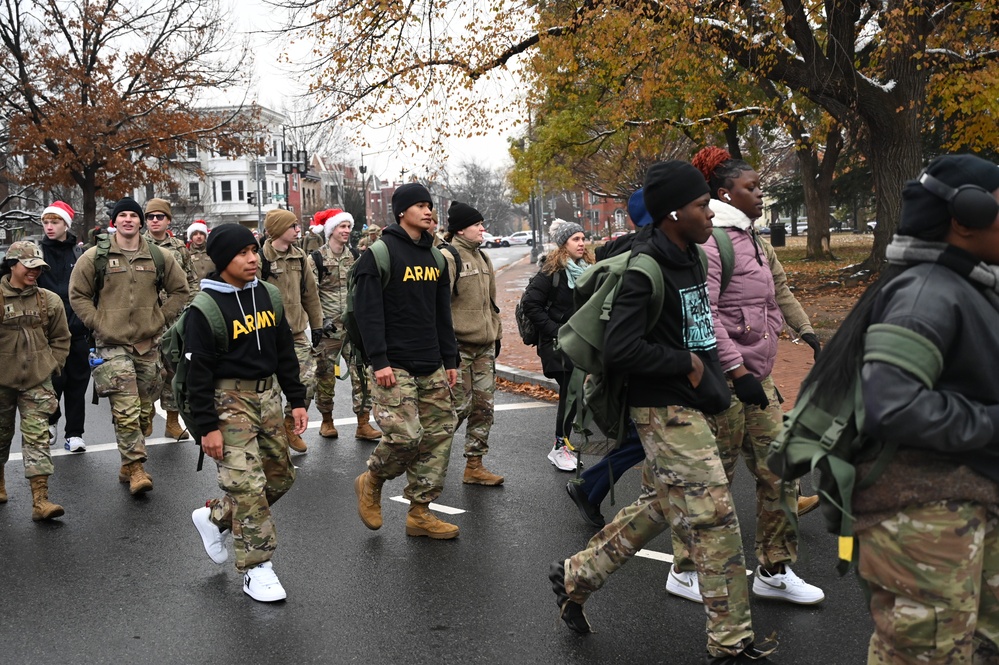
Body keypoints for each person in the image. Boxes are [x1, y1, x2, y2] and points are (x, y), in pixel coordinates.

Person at [550, 160, 776, 664]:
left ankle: (576, 576)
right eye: (701, 206)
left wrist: (727, 379)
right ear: (673, 212)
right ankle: (731, 642)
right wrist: (688, 365)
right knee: (715, 516)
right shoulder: (644, 268)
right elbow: (620, 350)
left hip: (696, 401)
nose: (710, 215)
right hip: (661, 408)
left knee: (662, 505)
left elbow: (698, 326)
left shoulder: (694, 255)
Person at [805, 154, 999, 664]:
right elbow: (892, 405)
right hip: (924, 519)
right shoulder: (926, 294)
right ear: (966, 218)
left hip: (962, 501)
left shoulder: (966, 285)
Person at [664, 147, 823, 606]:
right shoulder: (714, 244)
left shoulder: (756, 240)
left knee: (781, 473)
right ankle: (685, 568)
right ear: (723, 193)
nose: (759, 194)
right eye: (750, 188)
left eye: (758, 186)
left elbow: (780, 294)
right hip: (726, 384)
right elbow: (706, 315)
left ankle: (774, 570)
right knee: (712, 483)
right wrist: (737, 370)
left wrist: (806, 330)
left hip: (761, 379)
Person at [186, 223, 308, 603]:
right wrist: (208, 428)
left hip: (268, 398)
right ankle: (257, 569)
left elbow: (284, 351)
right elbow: (197, 374)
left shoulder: (268, 296)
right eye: (242, 253)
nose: (253, 259)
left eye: (254, 251)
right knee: (248, 486)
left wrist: (297, 399)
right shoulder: (204, 309)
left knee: (280, 478)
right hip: (227, 404)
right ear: (223, 261)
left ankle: (215, 517)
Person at [352, 182, 461, 539]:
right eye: (419, 205)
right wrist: (378, 360)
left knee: (438, 435)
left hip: (430, 360)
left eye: (429, 205)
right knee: (405, 437)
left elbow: (441, 313)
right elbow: (367, 314)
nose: (428, 211)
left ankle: (420, 512)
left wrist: (451, 360)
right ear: (401, 212)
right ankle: (372, 480)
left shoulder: (435, 257)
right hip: (393, 364)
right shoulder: (379, 254)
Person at [69, 197, 188, 495]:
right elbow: (78, 294)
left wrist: (161, 317)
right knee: (125, 408)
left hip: (148, 344)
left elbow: (180, 290)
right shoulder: (95, 256)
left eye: (133, 216)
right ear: (115, 221)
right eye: (122, 215)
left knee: (145, 408)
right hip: (111, 344)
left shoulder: (159, 257)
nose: (128, 220)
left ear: (140, 221)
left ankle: (127, 459)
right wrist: (97, 322)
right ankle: (136, 467)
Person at [566, 190, 654, 526]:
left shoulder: (622, 250)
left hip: (623, 365)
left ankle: (590, 488)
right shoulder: (643, 255)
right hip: (637, 364)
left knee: (640, 438)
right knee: (645, 438)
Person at [0, 241, 71, 520]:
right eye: (29, 267)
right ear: (12, 265)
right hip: (2, 382)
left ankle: (40, 499)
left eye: (39, 267)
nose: (35, 272)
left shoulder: (49, 300)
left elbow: (62, 339)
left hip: (37, 382)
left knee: (38, 439)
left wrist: (52, 365)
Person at [521, 220, 594, 471]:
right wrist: (557, 331)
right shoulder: (550, 272)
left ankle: (562, 444)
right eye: (575, 239)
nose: (582, 243)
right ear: (563, 244)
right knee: (572, 392)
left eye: (583, 238)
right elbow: (531, 305)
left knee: (573, 394)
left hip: (578, 343)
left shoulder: (586, 269)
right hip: (555, 343)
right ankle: (559, 447)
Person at [441, 201, 504, 486]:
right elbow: (439, 307)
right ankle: (428, 462)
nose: (482, 229)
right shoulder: (448, 256)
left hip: (484, 345)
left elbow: (491, 303)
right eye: (477, 224)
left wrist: (497, 334)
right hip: (459, 347)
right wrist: (447, 349)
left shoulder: (483, 258)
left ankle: (474, 466)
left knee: (484, 407)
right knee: (457, 408)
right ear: (461, 229)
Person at [311, 208, 381, 442]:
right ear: (331, 230)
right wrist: (319, 321)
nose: (346, 231)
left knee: (361, 374)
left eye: (348, 227)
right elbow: (310, 293)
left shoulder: (355, 255)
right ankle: (327, 420)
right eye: (342, 227)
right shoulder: (316, 258)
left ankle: (363, 422)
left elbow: (362, 288)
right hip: (328, 330)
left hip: (353, 327)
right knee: (325, 376)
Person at [258, 209, 323, 453]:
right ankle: (272, 439)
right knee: (269, 392)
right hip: (267, 337)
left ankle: (289, 425)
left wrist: (316, 326)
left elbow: (310, 295)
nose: (298, 230)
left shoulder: (300, 257)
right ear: (278, 230)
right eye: (293, 226)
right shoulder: (260, 258)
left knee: (307, 382)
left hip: (296, 333)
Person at [144, 198, 199, 440]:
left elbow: (192, 280)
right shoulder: (137, 245)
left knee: (175, 370)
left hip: (175, 319)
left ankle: (173, 422)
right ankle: (145, 416)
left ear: (168, 220)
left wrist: (193, 309)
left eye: (160, 216)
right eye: (150, 217)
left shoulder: (179, 247)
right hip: (147, 319)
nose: (154, 221)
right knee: (148, 370)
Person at [37, 201, 89, 453]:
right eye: (46, 222)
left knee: (77, 384)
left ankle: (75, 433)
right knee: (54, 381)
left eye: (55, 222)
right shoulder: (36, 253)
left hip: (78, 330)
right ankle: (51, 420)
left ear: (65, 225)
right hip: (47, 333)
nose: (49, 227)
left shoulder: (79, 254)